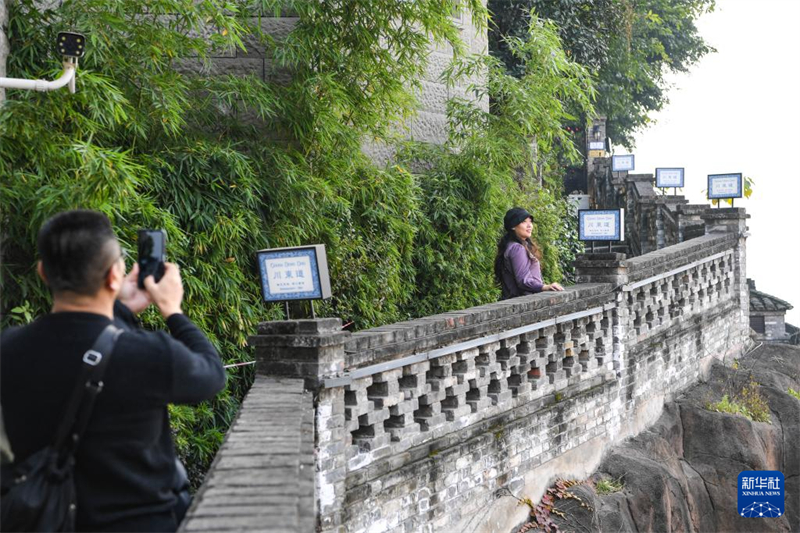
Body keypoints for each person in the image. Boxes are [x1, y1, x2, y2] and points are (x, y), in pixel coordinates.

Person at [1, 210, 226, 532]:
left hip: (47, 521)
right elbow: (211, 374)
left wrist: (119, 309)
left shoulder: (8, 348)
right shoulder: (149, 354)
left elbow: (91, 337)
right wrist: (173, 311)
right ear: (113, 277)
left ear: (42, 273)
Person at [495, 207, 564, 300]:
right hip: (521, 304)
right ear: (513, 226)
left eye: (530, 222)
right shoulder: (517, 248)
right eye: (524, 221)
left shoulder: (516, 245)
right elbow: (523, 281)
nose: (529, 225)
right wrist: (545, 287)